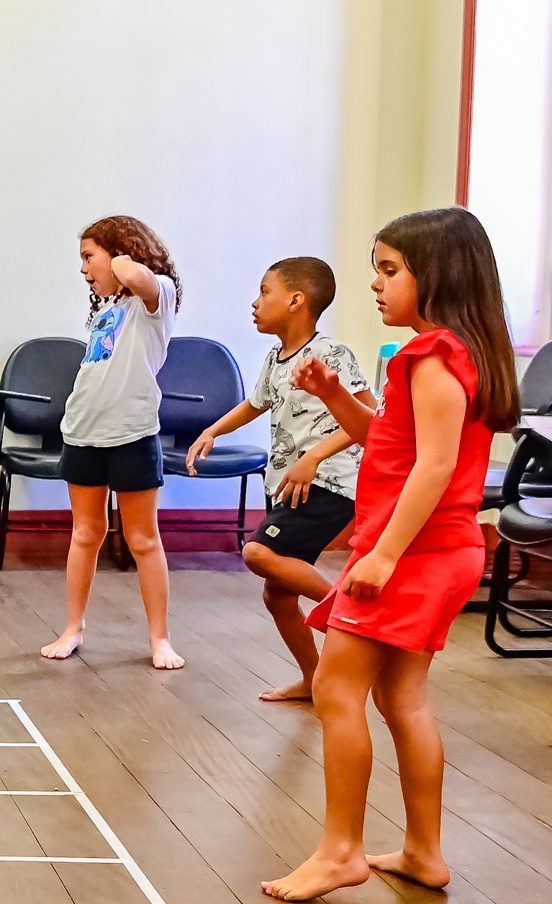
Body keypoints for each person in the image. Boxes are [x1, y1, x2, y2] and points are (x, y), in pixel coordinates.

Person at [262, 206, 519, 902]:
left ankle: (341, 851)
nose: (376, 284)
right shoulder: (456, 351)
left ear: (436, 276)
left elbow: (432, 467)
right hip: (444, 549)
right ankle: (423, 853)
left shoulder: (430, 353)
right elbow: (391, 444)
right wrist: (335, 396)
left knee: (337, 689)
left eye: (389, 270)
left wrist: (382, 556)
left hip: (415, 551)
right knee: (402, 695)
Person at [188, 258, 376, 701]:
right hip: (289, 484)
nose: (255, 303)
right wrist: (212, 430)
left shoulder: (332, 354)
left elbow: (371, 419)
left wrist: (314, 456)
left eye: (264, 291)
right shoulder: (276, 357)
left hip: (331, 481)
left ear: (296, 300)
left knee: (257, 552)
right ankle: (314, 680)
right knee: (278, 596)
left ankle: (351, 619)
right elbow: (255, 404)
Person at [45, 215, 184, 670]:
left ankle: (160, 639)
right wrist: (107, 264)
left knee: (143, 539)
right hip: (83, 431)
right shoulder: (107, 309)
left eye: (89, 257)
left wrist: (121, 257)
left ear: (120, 252)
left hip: (131, 434)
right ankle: (73, 628)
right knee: (86, 533)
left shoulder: (155, 297)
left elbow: (138, 276)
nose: (84, 269)